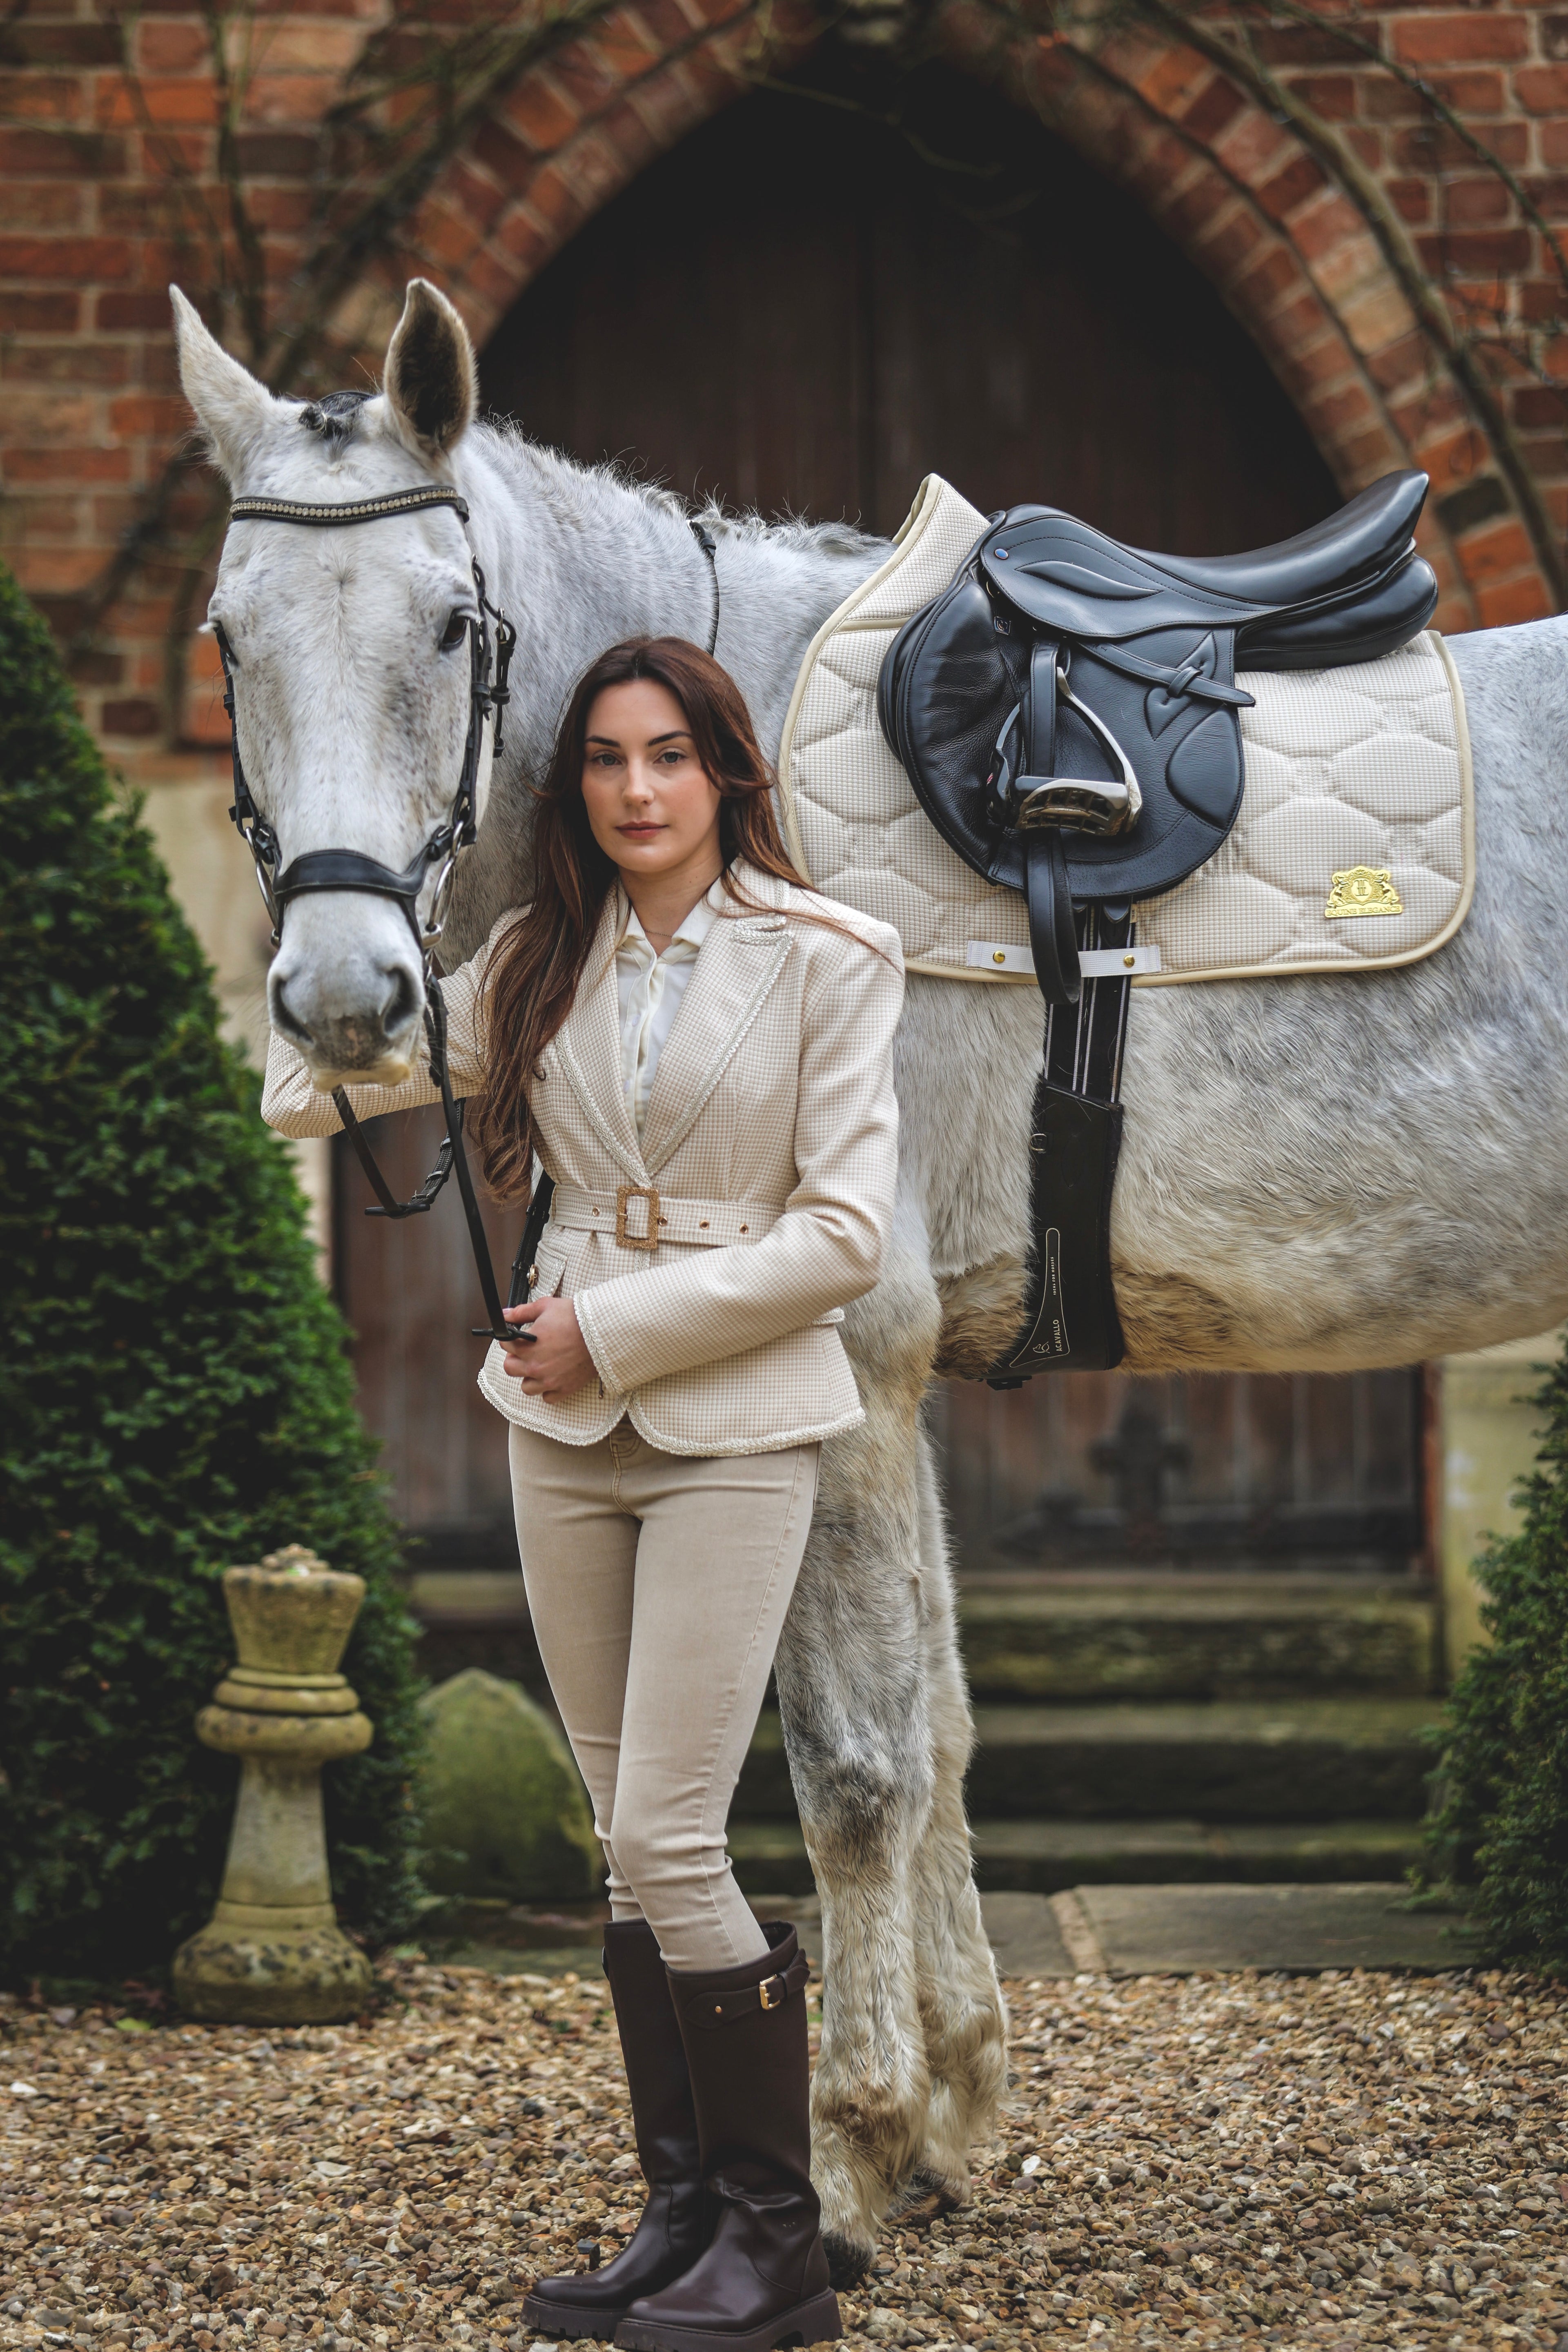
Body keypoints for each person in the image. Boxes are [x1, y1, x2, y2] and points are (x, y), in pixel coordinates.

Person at [262, 637, 904, 2352]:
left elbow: (841, 1239)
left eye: (670, 758)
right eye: (606, 761)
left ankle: (779, 2248)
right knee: (628, 1863)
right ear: (575, 790)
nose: (636, 791)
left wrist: (607, 1332)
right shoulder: (535, 961)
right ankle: (684, 2213)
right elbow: (321, 1086)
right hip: (563, 1437)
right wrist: (334, 964)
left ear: (726, 775)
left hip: (730, 1422)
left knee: (663, 1836)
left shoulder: (834, 958)